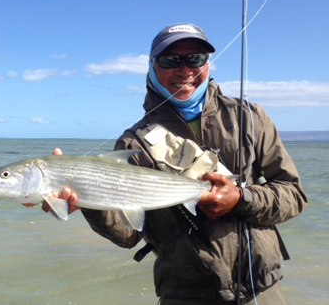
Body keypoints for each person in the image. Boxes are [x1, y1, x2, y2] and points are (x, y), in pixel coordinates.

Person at [45, 23, 307, 304]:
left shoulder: (250, 117)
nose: (184, 70)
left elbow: (294, 194)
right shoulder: (133, 144)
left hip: (262, 288)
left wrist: (242, 198)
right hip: (184, 294)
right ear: (152, 66)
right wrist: (87, 200)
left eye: (196, 58)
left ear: (208, 63)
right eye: (171, 60)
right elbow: (129, 234)